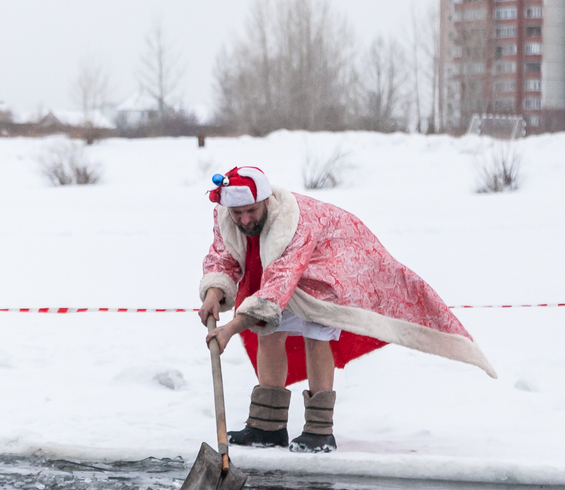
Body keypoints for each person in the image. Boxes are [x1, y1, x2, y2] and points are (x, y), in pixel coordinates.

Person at [198, 166, 495, 453]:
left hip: (334, 259)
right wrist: (214, 292)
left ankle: (319, 430)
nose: (246, 220)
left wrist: (230, 328)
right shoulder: (226, 214)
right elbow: (222, 257)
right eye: (238, 214)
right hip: (285, 266)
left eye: (251, 211)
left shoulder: (293, 221)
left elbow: (277, 287)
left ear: (265, 200)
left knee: (317, 330)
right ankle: (267, 425)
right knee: (268, 331)